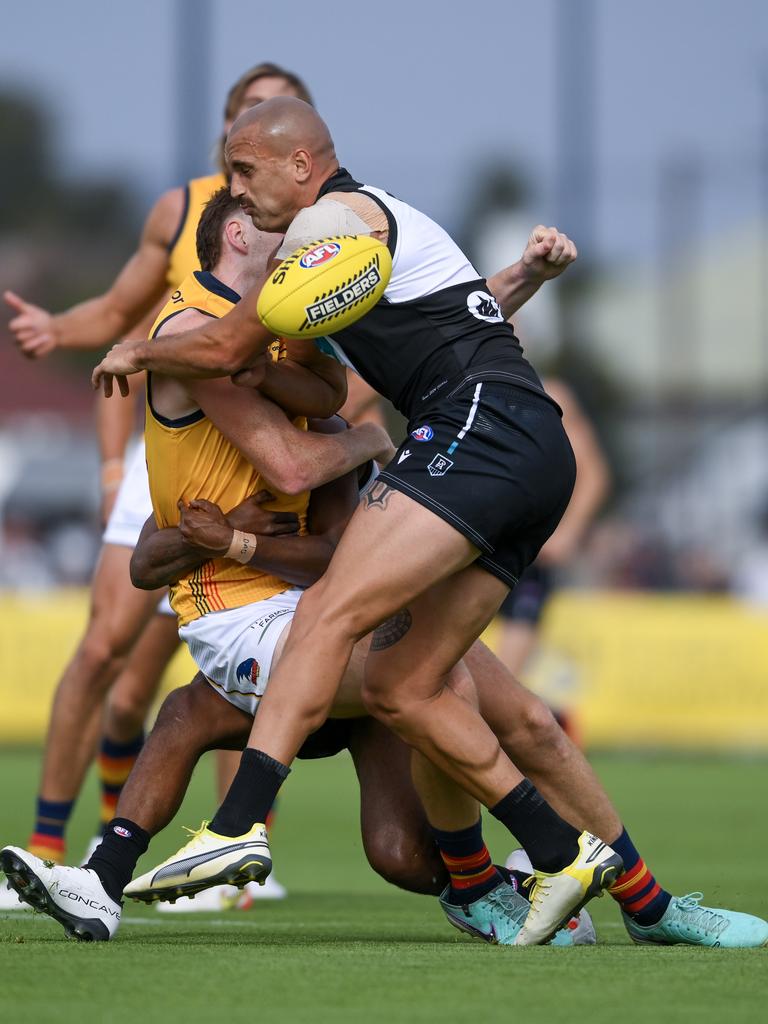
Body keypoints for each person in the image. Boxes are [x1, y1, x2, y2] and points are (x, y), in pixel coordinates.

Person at [7, 188, 766, 949]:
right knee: (407, 682)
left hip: (319, 615)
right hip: (250, 622)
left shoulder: (295, 350)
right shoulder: (198, 335)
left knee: (452, 788)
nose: (311, 250)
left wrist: (518, 282)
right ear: (240, 234)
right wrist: (364, 448)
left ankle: (645, 906)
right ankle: (543, 860)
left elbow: (420, 340)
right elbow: (277, 473)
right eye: (289, 235)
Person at [85, 98, 636, 946]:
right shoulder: (321, 264)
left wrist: (137, 349)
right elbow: (420, 336)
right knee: (412, 693)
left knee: (362, 632)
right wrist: (521, 279)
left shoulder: (331, 230)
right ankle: (594, 872)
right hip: (502, 445)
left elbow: (249, 364)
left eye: (242, 171)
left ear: (300, 165)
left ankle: (234, 831)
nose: (230, 189)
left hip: (475, 436)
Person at [0, 63, 316, 909]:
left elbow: (321, 366)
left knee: (218, 669)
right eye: (251, 115)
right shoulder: (188, 212)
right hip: (174, 448)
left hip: (253, 451)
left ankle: (236, 853)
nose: (266, 127)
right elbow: (127, 325)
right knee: (112, 655)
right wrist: (61, 334)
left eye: (283, 113)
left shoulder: (319, 225)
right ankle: (48, 844)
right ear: (229, 136)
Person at [495, 377, 610, 741]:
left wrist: (567, 534)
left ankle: (552, 732)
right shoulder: (452, 377)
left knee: (503, 679)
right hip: (478, 545)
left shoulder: (547, 392)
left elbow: (594, 474)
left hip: (528, 555)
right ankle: (552, 721)